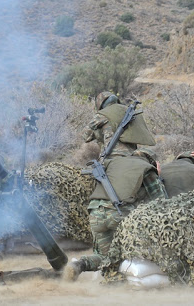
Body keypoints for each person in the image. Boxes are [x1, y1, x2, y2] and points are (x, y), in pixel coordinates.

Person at [64, 92, 167, 281]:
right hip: (120, 212)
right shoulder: (142, 165)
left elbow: (85, 136)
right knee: (126, 255)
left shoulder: (102, 116)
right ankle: (115, 279)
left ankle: (80, 264)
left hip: (96, 208)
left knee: (105, 256)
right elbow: (162, 202)